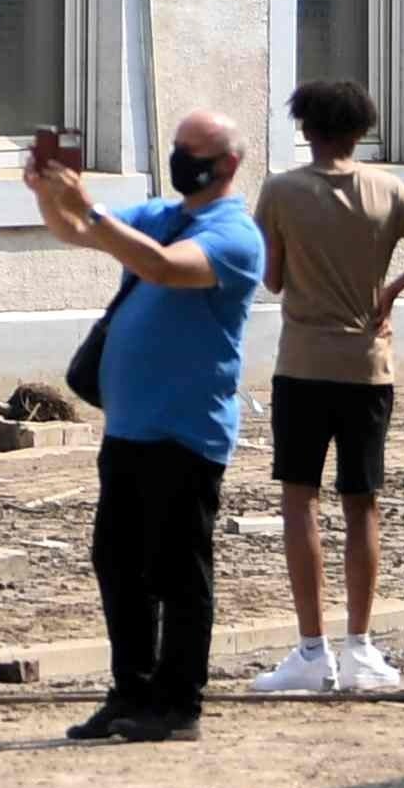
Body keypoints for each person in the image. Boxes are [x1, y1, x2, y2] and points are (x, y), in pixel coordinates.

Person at [31, 109, 265, 741]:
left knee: (179, 572)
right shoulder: (166, 213)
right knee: (118, 561)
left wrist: (94, 211)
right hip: (129, 429)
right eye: (179, 148)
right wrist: (48, 195)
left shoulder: (236, 236)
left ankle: (179, 702)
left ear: (228, 165)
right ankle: (130, 692)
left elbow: (164, 267)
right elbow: (81, 232)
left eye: (196, 152)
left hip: (187, 433)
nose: (183, 160)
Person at [246, 78, 404, 698]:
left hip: (303, 364)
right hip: (368, 367)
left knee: (299, 501)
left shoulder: (283, 191)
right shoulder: (386, 189)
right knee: (362, 500)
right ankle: (361, 646)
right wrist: (391, 287)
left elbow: (275, 279)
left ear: (307, 128)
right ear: (362, 129)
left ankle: (312, 649)